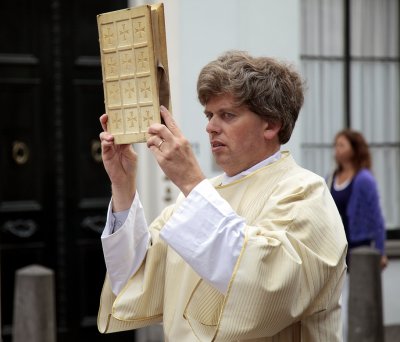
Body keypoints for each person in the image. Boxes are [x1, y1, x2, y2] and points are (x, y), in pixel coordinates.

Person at [97, 50, 347, 341]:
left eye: (227, 115)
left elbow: (265, 289)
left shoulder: (305, 193)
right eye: (209, 114)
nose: (210, 127)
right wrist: (123, 185)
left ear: (271, 124)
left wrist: (191, 182)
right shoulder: (198, 198)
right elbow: (135, 278)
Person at [328, 129, 387, 341]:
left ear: (354, 149)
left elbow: (377, 219)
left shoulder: (364, 180)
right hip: (336, 248)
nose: (337, 150)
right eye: (336, 145)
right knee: (337, 300)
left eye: (342, 145)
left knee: (356, 299)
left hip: (358, 247)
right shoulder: (332, 178)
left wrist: (381, 251)